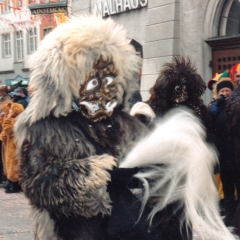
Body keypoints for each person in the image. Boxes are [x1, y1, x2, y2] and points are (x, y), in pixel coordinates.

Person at [14, 15, 233, 240]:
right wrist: (101, 177)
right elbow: (39, 182)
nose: (104, 92)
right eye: (94, 83)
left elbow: (156, 180)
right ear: (71, 84)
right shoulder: (47, 128)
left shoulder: (126, 125)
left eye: (110, 83)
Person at [146, 56, 214, 142]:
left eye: (185, 89)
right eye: (178, 89)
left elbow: (207, 134)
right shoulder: (156, 107)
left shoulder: (197, 109)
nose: (181, 94)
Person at [208, 77, 240, 227]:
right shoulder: (215, 108)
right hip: (223, 156)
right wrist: (215, 105)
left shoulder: (236, 107)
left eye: (228, 90)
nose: (225, 93)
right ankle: (230, 217)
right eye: (222, 90)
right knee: (227, 190)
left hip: (236, 155)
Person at [0, 102, 24, 193]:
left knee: (13, 165)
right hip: (7, 147)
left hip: (13, 146)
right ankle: (11, 183)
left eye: (10, 110)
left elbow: (9, 130)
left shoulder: (16, 120)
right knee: (8, 164)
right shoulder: (10, 119)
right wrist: (2, 118)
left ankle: (14, 185)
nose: (8, 111)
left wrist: (7, 118)